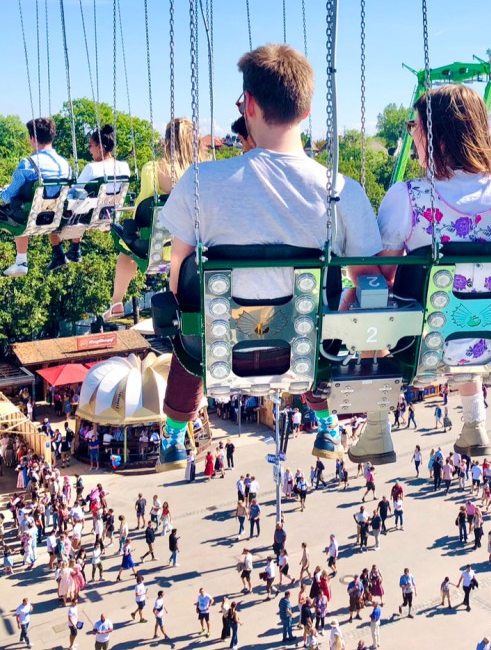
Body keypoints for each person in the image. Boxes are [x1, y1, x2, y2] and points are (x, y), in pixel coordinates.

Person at [156, 45, 383, 465]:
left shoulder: (201, 182)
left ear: (250, 106)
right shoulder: (343, 191)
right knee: (319, 322)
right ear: (307, 111)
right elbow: (368, 280)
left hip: (220, 346)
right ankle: (327, 425)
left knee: (188, 323)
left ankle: (173, 432)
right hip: (305, 347)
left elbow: (179, 277)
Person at [376, 85, 491, 456]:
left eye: (413, 126)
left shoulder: (409, 198)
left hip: (422, 345)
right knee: (472, 301)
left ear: (435, 136)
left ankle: (376, 426)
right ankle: (474, 422)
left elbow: (384, 273)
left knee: (370, 298)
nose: (411, 135)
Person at [105, 116, 195, 320]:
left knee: (126, 249)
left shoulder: (153, 169)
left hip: (158, 246)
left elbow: (142, 208)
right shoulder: (201, 170)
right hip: (191, 246)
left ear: (167, 142)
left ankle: (116, 301)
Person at [0, 117, 72, 288]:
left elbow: (8, 196)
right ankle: (20, 261)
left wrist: (5, 190)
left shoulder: (29, 164)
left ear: (33, 138)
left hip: (27, 217)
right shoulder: (65, 165)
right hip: (52, 217)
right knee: (24, 206)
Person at [50, 124, 131, 271]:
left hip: (89, 215)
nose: (89, 149)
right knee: (82, 204)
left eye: (90, 146)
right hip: (110, 213)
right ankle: (75, 250)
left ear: (100, 147)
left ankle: (59, 253)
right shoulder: (124, 167)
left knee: (55, 211)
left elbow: (75, 190)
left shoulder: (92, 168)